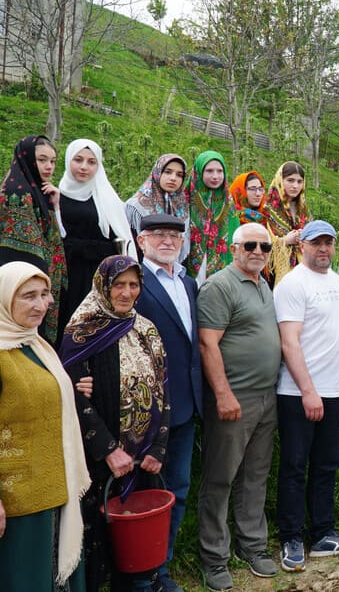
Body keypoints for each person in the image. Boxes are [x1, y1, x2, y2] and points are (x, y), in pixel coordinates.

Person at [61, 255, 170, 592]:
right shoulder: (82, 330)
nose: (126, 293)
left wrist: (159, 448)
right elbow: (75, 398)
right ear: (103, 286)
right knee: (100, 532)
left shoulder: (146, 328)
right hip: (101, 458)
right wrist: (108, 450)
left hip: (144, 456)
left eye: (133, 285)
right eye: (118, 285)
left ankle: (141, 583)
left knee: (139, 535)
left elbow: (164, 390)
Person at [196, 223, 282, 590]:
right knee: (221, 477)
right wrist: (224, 394)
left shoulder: (264, 283)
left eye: (265, 245)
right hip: (235, 398)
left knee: (255, 475)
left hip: (267, 396)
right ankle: (214, 557)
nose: (258, 250)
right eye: (250, 244)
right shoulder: (220, 285)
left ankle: (252, 545)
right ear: (234, 248)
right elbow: (207, 345)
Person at [0, 262, 89, 592]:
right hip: (17, 499)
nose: (41, 305)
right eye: (28, 297)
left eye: (44, 294)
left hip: (54, 487)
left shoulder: (36, 345)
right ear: (5, 299)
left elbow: (42, 397)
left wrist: (70, 389)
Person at [274, 220, 339, 572]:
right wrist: (308, 391)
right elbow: (289, 342)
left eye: (329, 242)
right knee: (295, 465)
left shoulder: (337, 281)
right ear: (302, 245)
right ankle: (291, 537)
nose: (323, 248)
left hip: (334, 390)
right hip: (298, 392)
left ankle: (322, 532)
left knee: (326, 464)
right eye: (316, 242)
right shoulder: (292, 284)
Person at [132, 214, 201, 592]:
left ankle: (162, 568)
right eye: (157, 234)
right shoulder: (134, 283)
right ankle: (139, 575)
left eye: (174, 235)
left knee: (178, 488)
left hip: (185, 404)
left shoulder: (187, 283)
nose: (166, 241)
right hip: (146, 409)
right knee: (146, 493)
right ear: (141, 241)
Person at [57, 138, 135, 344]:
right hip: (64, 278)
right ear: (68, 160)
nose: (84, 167)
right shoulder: (56, 195)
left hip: (96, 278)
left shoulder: (105, 197)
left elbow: (118, 240)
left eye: (91, 162)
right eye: (78, 160)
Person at [0, 135, 66, 344]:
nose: (49, 166)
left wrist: (55, 205)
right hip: (24, 285)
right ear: (27, 158)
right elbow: (26, 250)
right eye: (42, 160)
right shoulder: (17, 193)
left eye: (53, 161)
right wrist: (42, 289)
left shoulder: (38, 190)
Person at [185, 151, 237, 285]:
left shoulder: (228, 203)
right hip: (188, 270)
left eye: (220, 171)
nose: (215, 176)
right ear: (199, 172)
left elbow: (234, 234)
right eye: (209, 171)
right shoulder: (185, 199)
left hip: (222, 273)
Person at [124, 154, 189, 261]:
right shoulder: (136, 205)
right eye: (168, 172)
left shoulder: (182, 206)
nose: (173, 178)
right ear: (157, 172)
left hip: (174, 270)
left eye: (179, 175)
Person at [264, 161, 311, 286]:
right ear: (280, 180)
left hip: (304, 270)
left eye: (299, 181)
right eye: (290, 180)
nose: (295, 186)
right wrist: (285, 241)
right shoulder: (269, 210)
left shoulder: (304, 210)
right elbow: (261, 246)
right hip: (274, 274)